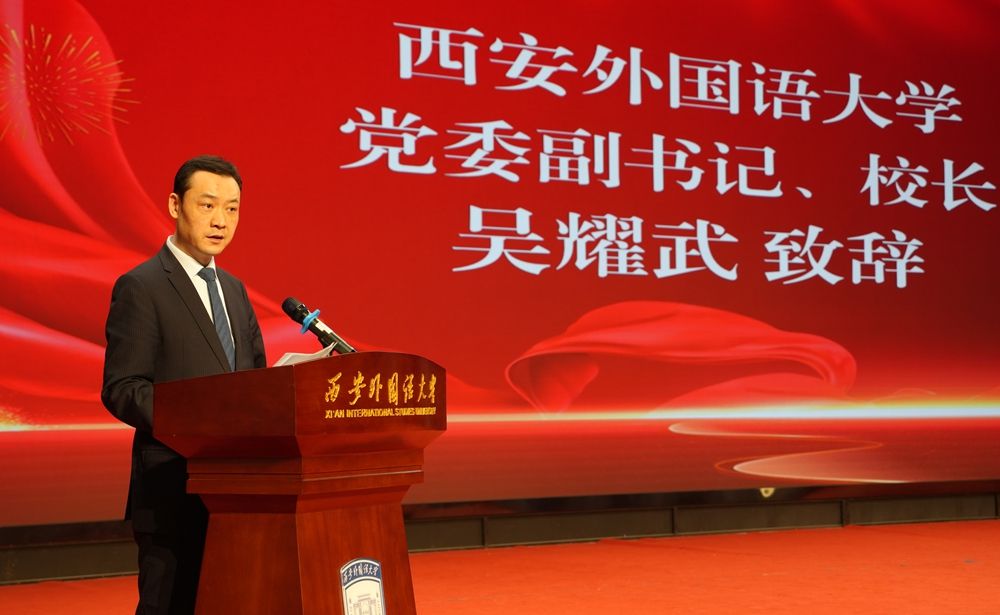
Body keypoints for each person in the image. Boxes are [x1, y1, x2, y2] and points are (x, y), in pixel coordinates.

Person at [102, 155, 267, 614]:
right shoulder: (142, 286)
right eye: (208, 205)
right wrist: (202, 423)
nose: (221, 221)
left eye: (232, 209)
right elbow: (123, 387)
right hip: (173, 491)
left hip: (237, 493)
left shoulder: (234, 290)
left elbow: (254, 380)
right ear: (176, 205)